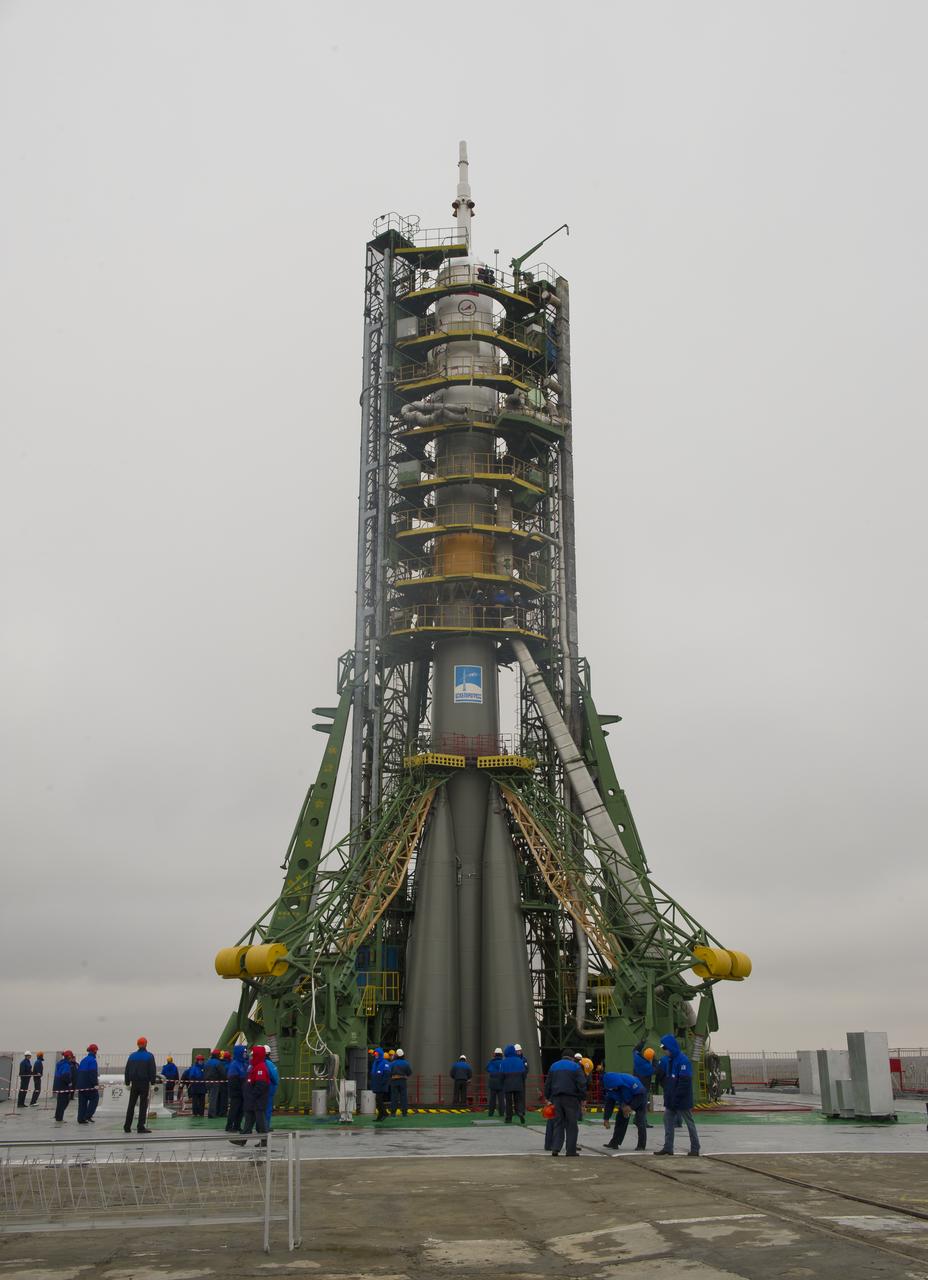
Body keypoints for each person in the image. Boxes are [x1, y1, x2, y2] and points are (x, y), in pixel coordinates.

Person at [654, 1035, 700, 1157]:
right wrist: (669, 1096)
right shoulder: (670, 1061)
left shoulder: (683, 1061)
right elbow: (668, 1080)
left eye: (665, 1048)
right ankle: (668, 1147)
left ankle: (695, 1148)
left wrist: (676, 1098)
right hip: (671, 1099)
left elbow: (684, 1083)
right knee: (667, 1120)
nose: (664, 1051)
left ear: (671, 1048)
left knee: (689, 1122)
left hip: (682, 1100)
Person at [544, 1050, 587, 1157]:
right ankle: (570, 1150)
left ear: (562, 1057)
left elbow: (547, 1083)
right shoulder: (575, 1066)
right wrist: (582, 1097)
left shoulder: (554, 1066)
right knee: (572, 1124)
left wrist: (548, 1097)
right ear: (572, 1058)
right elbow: (581, 1083)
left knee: (558, 1123)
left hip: (556, 1098)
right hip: (571, 1099)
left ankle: (555, 1148)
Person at [231, 1045, 271, 1146]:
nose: (251, 1057)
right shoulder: (255, 1067)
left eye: (253, 1055)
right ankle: (242, 1140)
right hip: (252, 1101)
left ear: (257, 1056)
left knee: (260, 1122)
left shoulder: (260, 1068)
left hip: (257, 1101)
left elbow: (261, 1085)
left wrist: (252, 1095)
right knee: (248, 1121)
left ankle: (264, 1141)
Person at [601, 1071, 648, 1151]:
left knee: (640, 1121)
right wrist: (606, 1119)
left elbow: (641, 1094)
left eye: (614, 1087)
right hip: (625, 1101)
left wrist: (631, 1107)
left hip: (639, 1098)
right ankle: (614, 1143)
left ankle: (641, 1145)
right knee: (620, 1119)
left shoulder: (630, 1081)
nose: (613, 1089)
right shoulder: (610, 1089)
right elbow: (609, 1104)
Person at [123, 1036, 157, 1134]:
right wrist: (153, 1083)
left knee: (131, 1105)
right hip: (144, 1083)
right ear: (146, 1044)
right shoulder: (149, 1056)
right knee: (143, 1105)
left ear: (138, 1044)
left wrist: (127, 1082)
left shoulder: (132, 1056)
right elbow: (152, 1070)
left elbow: (127, 1070)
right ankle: (140, 1127)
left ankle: (127, 1126)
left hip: (134, 1083)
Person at [500, 1043, 527, 1124]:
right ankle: (520, 1113)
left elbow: (501, 1074)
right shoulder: (520, 1061)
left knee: (508, 1102)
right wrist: (522, 1081)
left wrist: (502, 1083)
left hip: (507, 1084)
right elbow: (524, 1073)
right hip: (518, 1083)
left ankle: (509, 1118)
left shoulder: (504, 1062)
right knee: (518, 1100)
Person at [225, 1044, 248, 1132]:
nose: (245, 1054)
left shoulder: (243, 1063)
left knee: (241, 1110)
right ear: (239, 1053)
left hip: (242, 1091)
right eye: (244, 1052)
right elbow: (233, 1080)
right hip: (236, 1092)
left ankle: (237, 1126)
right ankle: (229, 1126)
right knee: (234, 1109)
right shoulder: (234, 1065)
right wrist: (240, 1089)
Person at [76, 1044, 100, 1124]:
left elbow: (78, 1072)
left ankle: (81, 1119)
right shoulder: (92, 1061)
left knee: (82, 1102)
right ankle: (88, 1116)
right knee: (95, 1099)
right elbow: (92, 1073)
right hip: (89, 1085)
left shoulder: (83, 1060)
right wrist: (95, 1084)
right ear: (95, 1051)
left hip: (81, 1085)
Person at [53, 1051, 76, 1122]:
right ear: (69, 1057)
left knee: (60, 1102)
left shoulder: (60, 1063)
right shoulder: (66, 1065)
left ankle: (57, 1116)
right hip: (63, 1085)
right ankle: (59, 1118)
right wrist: (69, 1082)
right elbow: (65, 1075)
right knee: (64, 1101)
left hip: (58, 1084)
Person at [371, 1049, 392, 1120]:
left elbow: (387, 1074)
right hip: (376, 1084)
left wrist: (382, 1083)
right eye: (375, 1054)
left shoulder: (385, 1063)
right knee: (378, 1101)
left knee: (379, 1100)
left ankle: (385, 1113)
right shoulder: (375, 1063)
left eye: (377, 1054)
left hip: (381, 1085)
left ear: (380, 1054)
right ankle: (380, 1116)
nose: (375, 1055)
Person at [390, 1049, 412, 1116]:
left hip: (394, 1081)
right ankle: (404, 1112)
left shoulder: (392, 1063)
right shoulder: (406, 1063)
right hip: (403, 1081)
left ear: (396, 1055)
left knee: (394, 1097)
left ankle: (393, 1113)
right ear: (403, 1055)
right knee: (403, 1097)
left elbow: (389, 1072)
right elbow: (409, 1073)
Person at [205, 1049, 227, 1118]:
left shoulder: (207, 1062)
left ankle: (212, 1112)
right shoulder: (218, 1063)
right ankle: (212, 1114)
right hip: (215, 1082)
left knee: (211, 1098)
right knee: (213, 1098)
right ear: (218, 1055)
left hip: (207, 1082)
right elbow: (223, 1073)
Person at [486, 1048, 505, 1118]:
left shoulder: (491, 1062)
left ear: (494, 1054)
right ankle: (502, 1113)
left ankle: (491, 1113)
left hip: (493, 1082)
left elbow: (487, 1069)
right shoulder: (503, 1062)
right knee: (501, 1099)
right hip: (501, 1082)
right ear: (501, 1054)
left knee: (492, 1099)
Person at [263, 1045, 279, 1129]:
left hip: (259, 1090)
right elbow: (274, 1077)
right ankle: (266, 1126)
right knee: (267, 1109)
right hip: (269, 1089)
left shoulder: (254, 1063)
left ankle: (261, 1126)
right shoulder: (269, 1064)